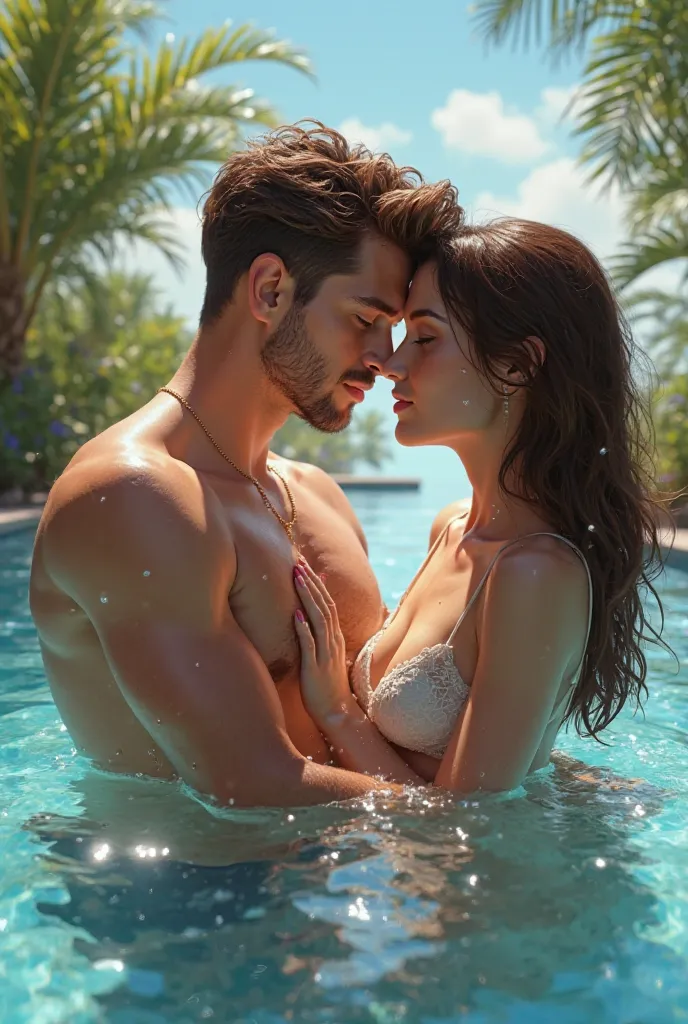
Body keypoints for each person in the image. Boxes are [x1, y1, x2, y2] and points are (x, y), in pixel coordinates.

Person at [29, 122, 463, 808]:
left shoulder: (315, 493)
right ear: (269, 290)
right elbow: (248, 783)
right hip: (197, 902)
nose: (387, 358)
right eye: (364, 318)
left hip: (345, 887)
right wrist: (477, 825)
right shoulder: (131, 496)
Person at [293, 218, 668, 794]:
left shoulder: (534, 574)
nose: (390, 364)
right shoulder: (451, 528)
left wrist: (338, 711)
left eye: (425, 337)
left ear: (517, 366)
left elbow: (464, 825)